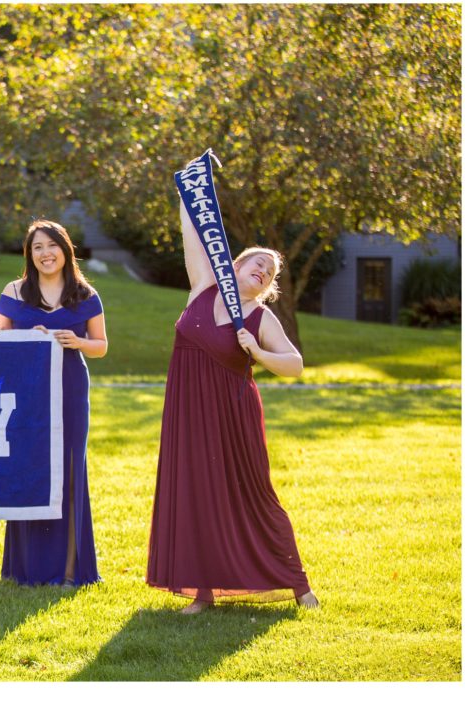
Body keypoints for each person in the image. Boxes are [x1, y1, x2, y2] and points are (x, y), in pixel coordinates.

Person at [145, 199, 320, 613]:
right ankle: (202, 592)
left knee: (253, 495)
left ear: (267, 286)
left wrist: (258, 352)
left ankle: (298, 585)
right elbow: (193, 237)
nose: (261, 271)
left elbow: (294, 366)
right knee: (195, 493)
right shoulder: (204, 287)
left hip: (232, 416)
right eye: (255, 263)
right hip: (187, 413)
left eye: (269, 272)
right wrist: (189, 191)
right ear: (236, 266)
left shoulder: (261, 319)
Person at [0, 220, 108, 586]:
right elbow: (0, 340)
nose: (45, 253)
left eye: (51, 245)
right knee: (32, 465)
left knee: (70, 465)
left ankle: (71, 567)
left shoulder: (86, 293)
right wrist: (26, 338)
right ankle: (25, 567)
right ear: (30, 255)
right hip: (27, 389)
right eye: (37, 247)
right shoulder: (14, 290)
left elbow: (101, 346)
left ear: (65, 249)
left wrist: (74, 341)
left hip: (71, 385)